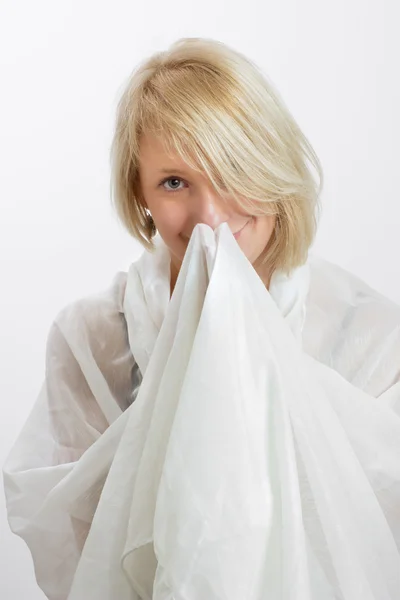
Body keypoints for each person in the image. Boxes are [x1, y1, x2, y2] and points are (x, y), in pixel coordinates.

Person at [3, 37, 400, 600]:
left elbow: (377, 544)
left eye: (234, 169)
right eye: (174, 182)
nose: (211, 216)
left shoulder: (370, 337)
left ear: (275, 169)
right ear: (138, 192)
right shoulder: (93, 340)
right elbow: (73, 539)